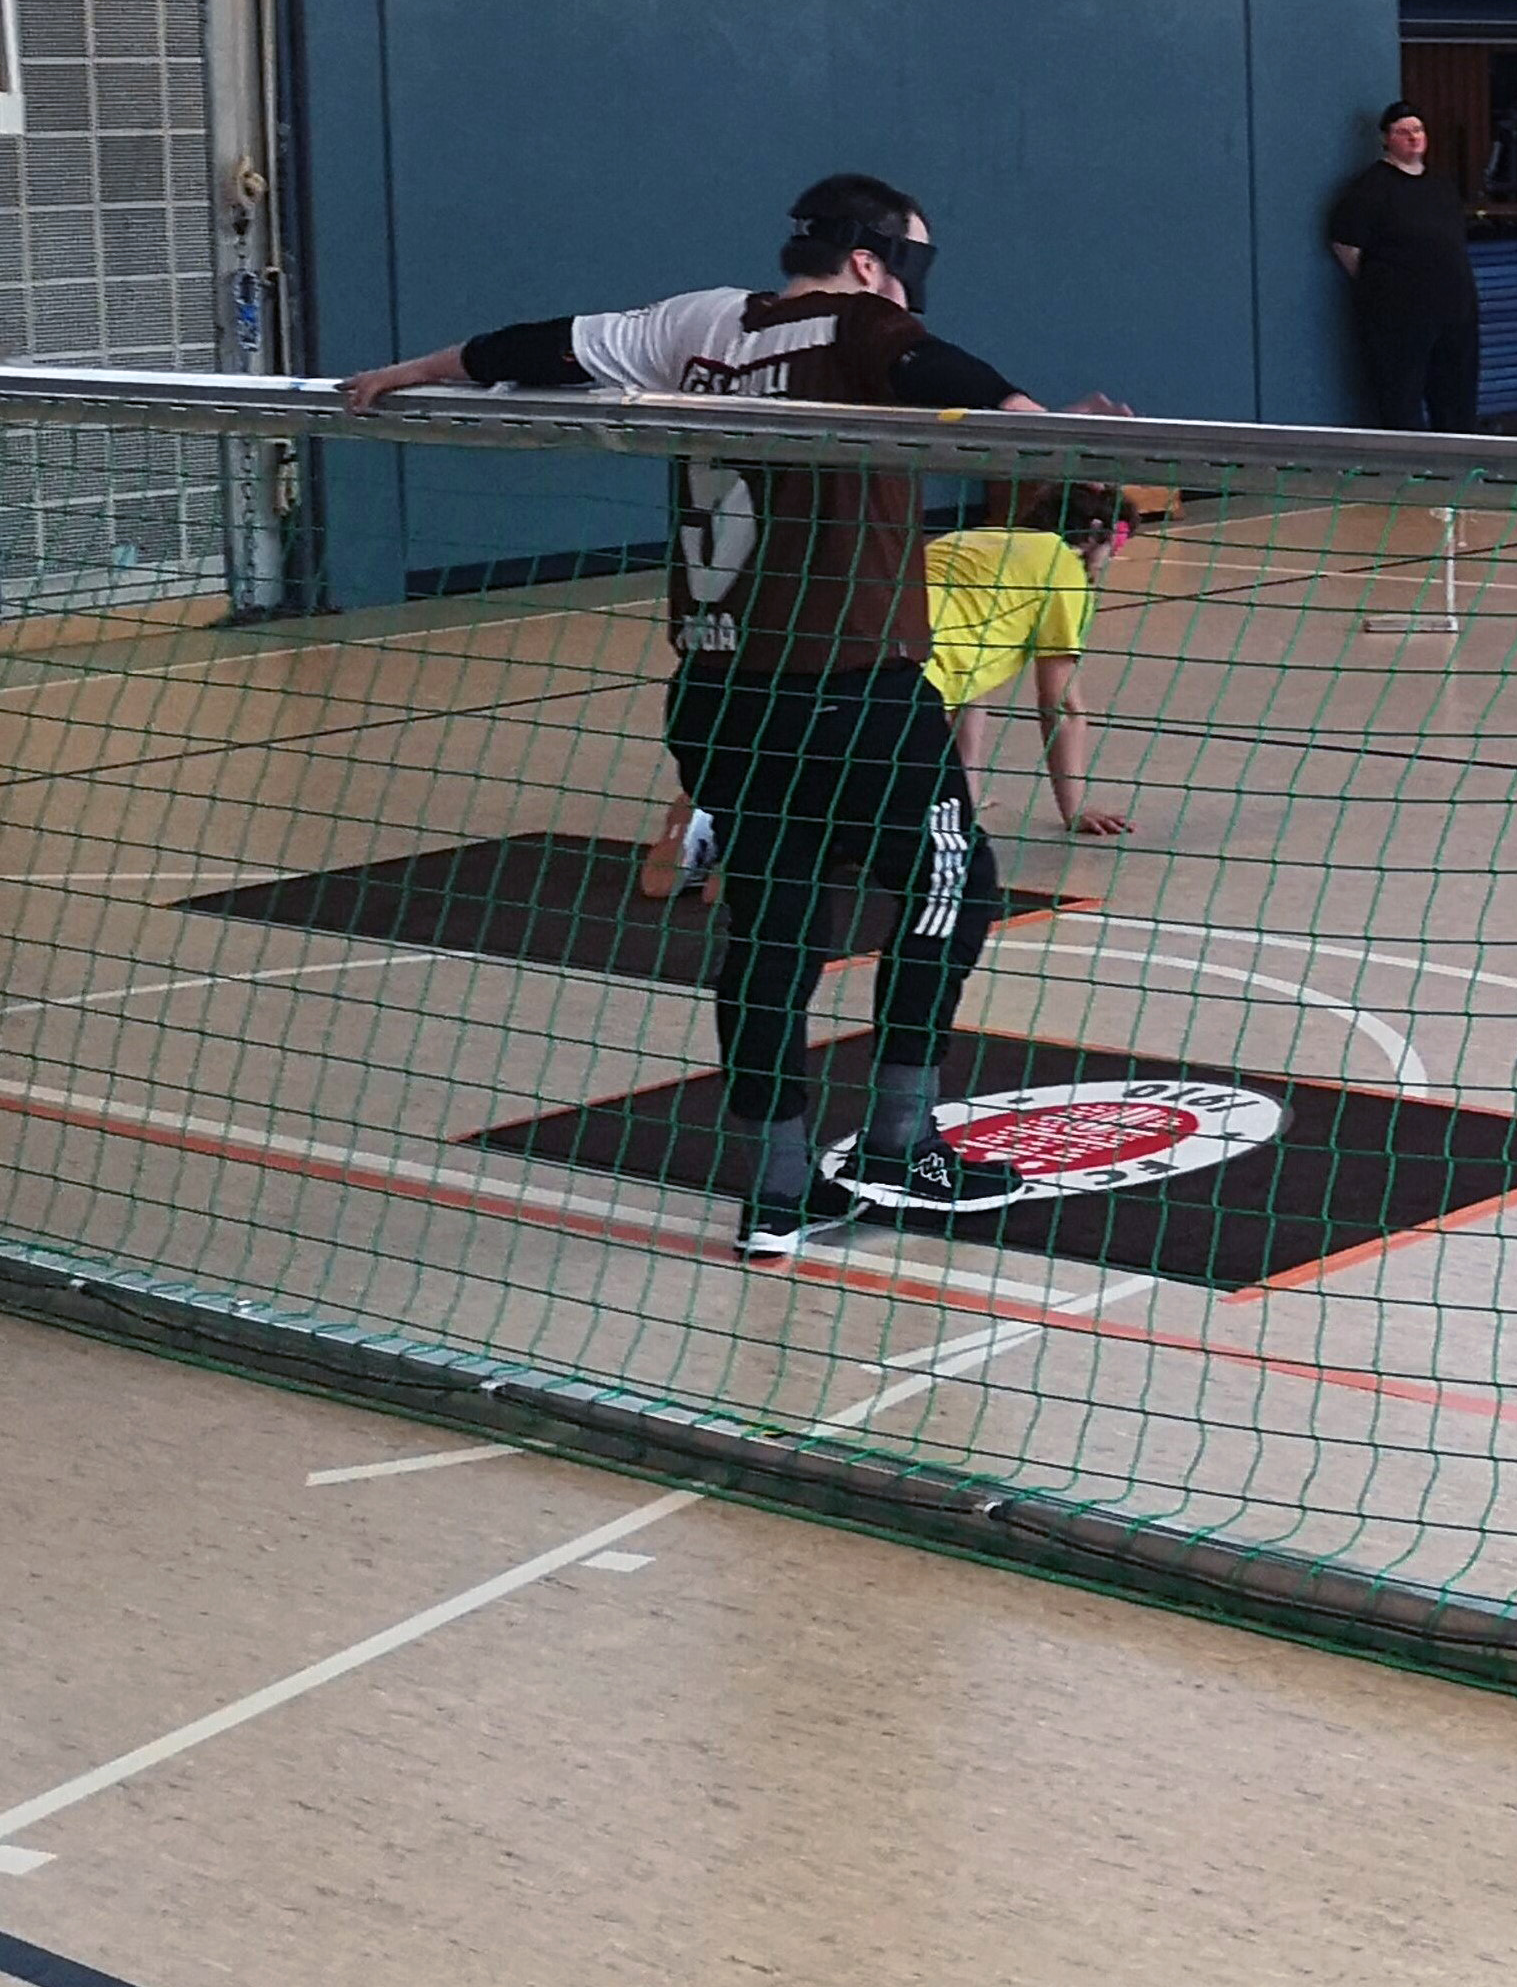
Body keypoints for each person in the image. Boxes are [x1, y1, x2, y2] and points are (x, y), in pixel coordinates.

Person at [341, 172, 1096, 1259]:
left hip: (716, 690)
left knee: (777, 925)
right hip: (852, 683)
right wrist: (1031, 422)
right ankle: (894, 1137)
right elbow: (939, 370)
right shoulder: (869, 326)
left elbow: (532, 343)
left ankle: (779, 1186)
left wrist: (412, 372)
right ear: (877, 261)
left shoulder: (700, 321)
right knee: (952, 887)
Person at [638, 479, 1139, 902]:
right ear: (1093, 535)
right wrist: (1073, 809)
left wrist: (961, 791)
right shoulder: (1065, 570)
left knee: (798, 757)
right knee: (856, 824)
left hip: (846, 648)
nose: (1110, 562)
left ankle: (710, 815)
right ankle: (750, 852)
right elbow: (1060, 703)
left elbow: (969, 687)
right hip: (910, 678)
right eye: (1115, 548)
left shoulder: (978, 541)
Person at [1327, 102, 1480, 434]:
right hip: (1401, 312)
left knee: (1455, 390)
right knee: (1402, 391)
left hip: (1454, 306)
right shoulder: (1371, 188)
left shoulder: (1440, 185)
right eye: (1403, 132)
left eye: (1418, 130)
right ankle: (1409, 466)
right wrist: (1386, 286)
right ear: (1386, 139)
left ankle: (1458, 459)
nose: (1413, 138)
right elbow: (1345, 244)